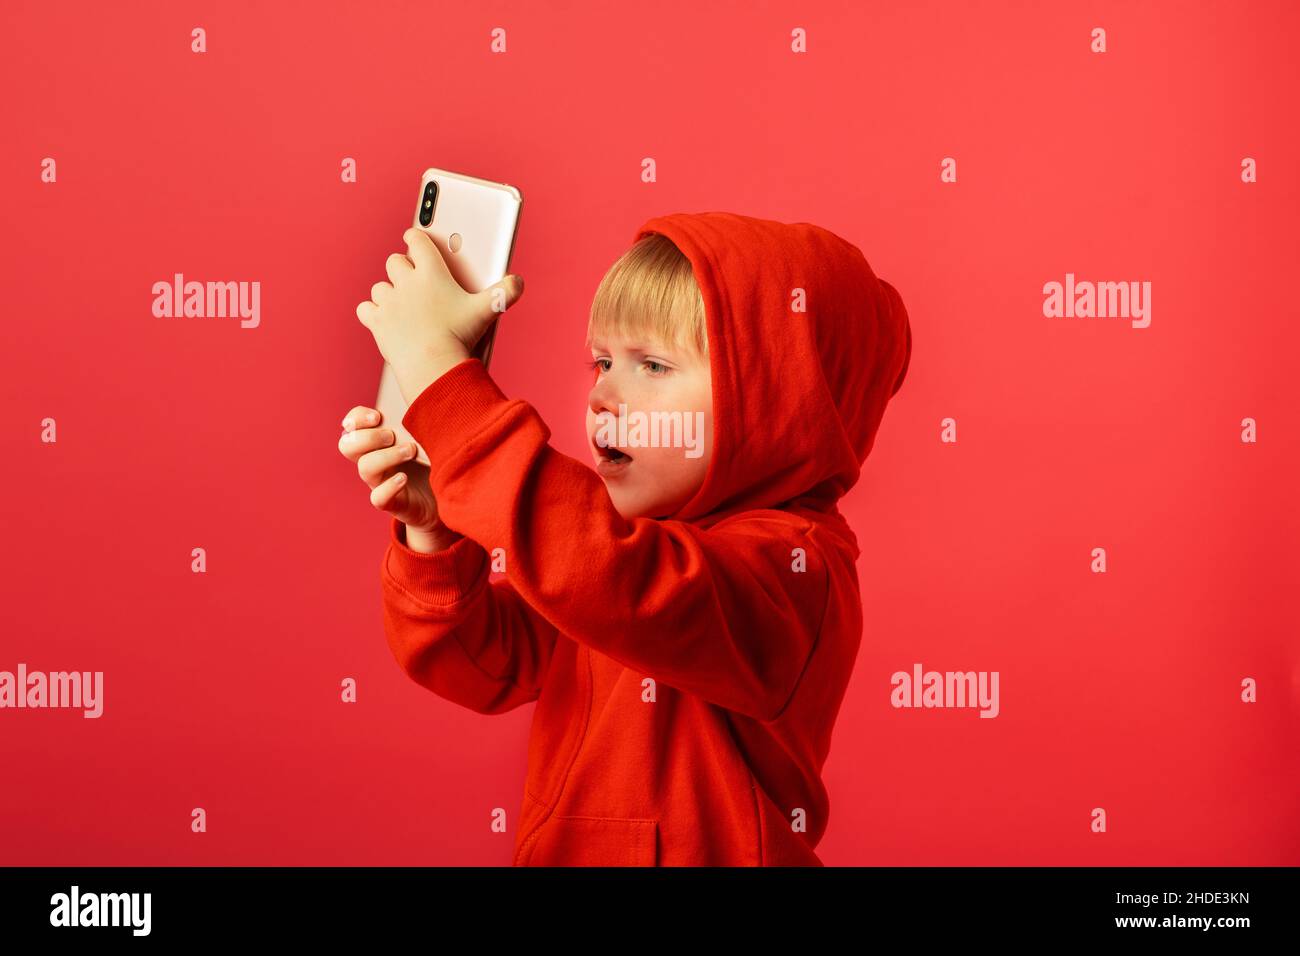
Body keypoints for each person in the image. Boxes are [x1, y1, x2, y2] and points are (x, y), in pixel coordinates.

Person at [339, 211, 912, 865]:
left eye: (655, 366)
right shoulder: (623, 548)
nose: (604, 393)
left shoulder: (795, 568)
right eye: (603, 361)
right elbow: (482, 666)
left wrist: (444, 380)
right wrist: (434, 532)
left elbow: (606, 574)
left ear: (780, 404)